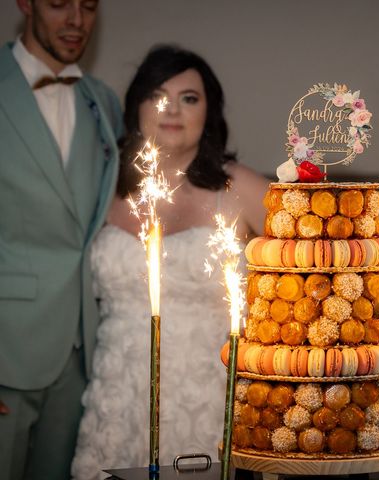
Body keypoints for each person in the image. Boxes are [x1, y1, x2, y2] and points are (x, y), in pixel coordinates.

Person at [71, 45, 268, 478]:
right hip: (116, 398)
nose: (172, 109)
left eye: (189, 98)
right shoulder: (101, 185)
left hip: (210, 398)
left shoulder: (239, 188)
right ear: (136, 107)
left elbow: (308, 254)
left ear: (209, 111)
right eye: (158, 95)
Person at [0, 1, 122, 479]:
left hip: (82, 349)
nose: (76, 20)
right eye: (58, 4)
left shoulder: (103, 101)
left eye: (88, 6)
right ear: (24, 4)